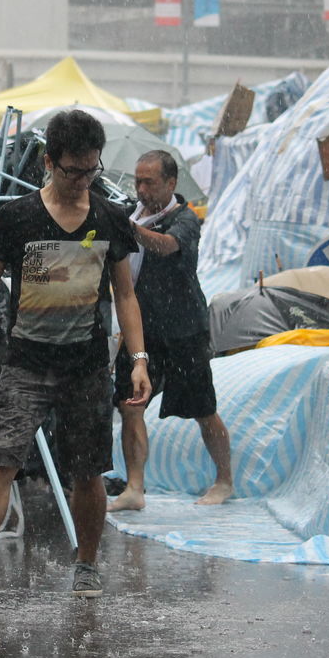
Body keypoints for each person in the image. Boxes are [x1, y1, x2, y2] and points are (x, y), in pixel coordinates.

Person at [0, 109, 150, 602]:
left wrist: (139, 358)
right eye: (72, 171)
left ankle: (86, 564)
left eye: (91, 171)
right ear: (48, 162)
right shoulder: (18, 216)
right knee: (3, 459)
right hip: (25, 363)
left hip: (85, 367)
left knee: (88, 470)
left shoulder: (109, 218)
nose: (82, 181)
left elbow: (125, 295)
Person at [108, 150, 233, 511]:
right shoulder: (132, 212)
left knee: (202, 408)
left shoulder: (185, 219)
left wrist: (129, 229)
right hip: (141, 333)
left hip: (183, 331)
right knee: (130, 405)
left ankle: (224, 478)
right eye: (138, 181)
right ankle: (134, 487)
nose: (142, 189)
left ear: (171, 183)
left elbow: (165, 246)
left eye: (150, 182)